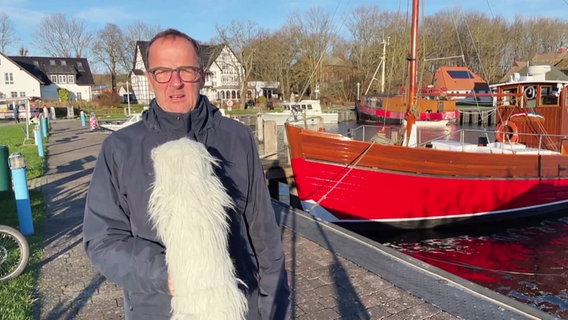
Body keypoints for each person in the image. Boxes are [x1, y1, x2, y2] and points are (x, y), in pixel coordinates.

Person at [82, 28, 290, 319]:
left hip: (239, 308)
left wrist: (272, 309)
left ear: (202, 75)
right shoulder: (120, 148)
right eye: (163, 72)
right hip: (157, 309)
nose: (175, 82)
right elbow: (101, 239)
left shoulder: (237, 138)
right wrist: (168, 273)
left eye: (186, 70)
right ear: (150, 78)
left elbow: (264, 234)